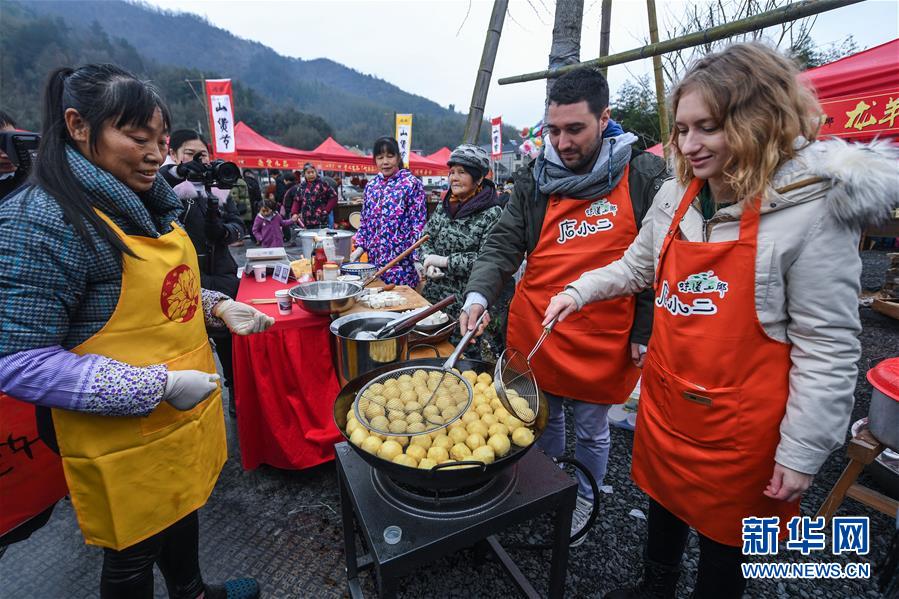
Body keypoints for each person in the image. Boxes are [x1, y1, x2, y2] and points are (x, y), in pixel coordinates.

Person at [542, 43, 899, 598]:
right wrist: (578, 290)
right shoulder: (677, 195)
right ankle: (654, 589)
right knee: (661, 505)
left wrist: (803, 451)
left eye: (707, 128)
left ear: (757, 120)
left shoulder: (808, 212)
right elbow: (637, 265)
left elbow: (827, 346)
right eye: (682, 128)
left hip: (741, 428)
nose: (688, 145)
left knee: (724, 544)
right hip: (666, 401)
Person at [0, 63, 274, 598]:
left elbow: (158, 298)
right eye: (136, 137)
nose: (155, 154)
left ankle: (192, 591)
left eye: (161, 140)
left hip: (174, 414)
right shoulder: (42, 220)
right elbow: (18, 361)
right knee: (132, 545)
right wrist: (157, 387)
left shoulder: (148, 206)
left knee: (179, 502)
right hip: (114, 424)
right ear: (79, 126)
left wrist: (216, 306)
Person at [461, 67, 668, 545]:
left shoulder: (641, 176)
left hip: (605, 332)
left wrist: (643, 329)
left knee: (595, 429)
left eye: (575, 129)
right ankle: (549, 487)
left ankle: (587, 497)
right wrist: (478, 295)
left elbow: (657, 265)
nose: (563, 142)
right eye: (553, 130)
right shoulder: (536, 176)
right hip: (540, 325)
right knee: (542, 416)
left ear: (604, 119)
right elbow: (502, 245)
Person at [161, 129, 245, 416]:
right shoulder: (165, 189)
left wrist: (225, 231)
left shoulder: (220, 189)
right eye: (190, 154)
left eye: (203, 155)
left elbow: (237, 223)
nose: (198, 161)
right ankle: (193, 402)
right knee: (190, 339)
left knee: (228, 339)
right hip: (185, 276)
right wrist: (179, 173)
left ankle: (233, 389)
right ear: (173, 155)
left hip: (221, 272)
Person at [419, 144, 510, 359]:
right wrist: (426, 261)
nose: (454, 178)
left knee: (462, 360)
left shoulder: (492, 213)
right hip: (435, 300)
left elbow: (486, 260)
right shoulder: (445, 206)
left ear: (478, 178)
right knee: (430, 353)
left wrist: (444, 261)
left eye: (462, 172)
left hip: (467, 303)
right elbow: (425, 238)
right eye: (451, 172)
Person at [351, 136, 426, 286]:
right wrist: (360, 247)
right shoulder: (371, 186)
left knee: (401, 306)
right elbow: (365, 222)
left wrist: (418, 258)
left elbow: (418, 224)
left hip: (402, 265)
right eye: (380, 157)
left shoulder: (411, 184)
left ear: (398, 158)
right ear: (375, 160)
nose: (385, 162)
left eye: (390, 156)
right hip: (374, 264)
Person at [290, 162, 338, 229]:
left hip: (321, 219)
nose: (311, 174)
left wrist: (327, 210)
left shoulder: (323, 184)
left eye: (312, 172)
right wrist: (294, 213)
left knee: (321, 238)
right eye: (308, 173)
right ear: (304, 174)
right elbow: (297, 201)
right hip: (306, 221)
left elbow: (334, 197)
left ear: (316, 172)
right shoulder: (301, 186)